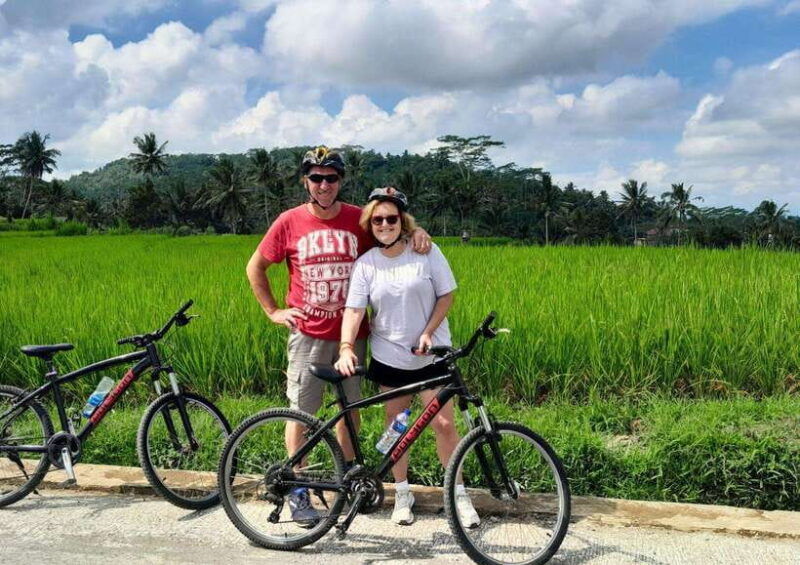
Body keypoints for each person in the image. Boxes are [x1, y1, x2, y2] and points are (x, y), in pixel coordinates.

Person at [246, 147, 431, 527]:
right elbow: (256, 266)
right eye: (316, 177)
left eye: (331, 177)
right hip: (308, 336)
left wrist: (418, 232)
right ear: (306, 182)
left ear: (340, 181)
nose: (324, 184)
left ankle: (342, 483)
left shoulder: (355, 220)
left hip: (353, 336)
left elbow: (389, 229)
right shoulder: (289, 221)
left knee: (350, 412)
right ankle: (297, 489)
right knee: (302, 412)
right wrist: (273, 311)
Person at [334, 188, 479, 527]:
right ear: (370, 225)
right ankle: (402, 493)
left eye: (392, 218)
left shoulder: (425, 251)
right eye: (378, 219)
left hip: (431, 356)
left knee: (444, 425)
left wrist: (429, 331)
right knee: (396, 427)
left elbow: (447, 294)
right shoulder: (366, 264)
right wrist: (344, 347)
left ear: (403, 222)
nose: (385, 224)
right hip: (390, 358)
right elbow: (355, 310)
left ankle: (458, 495)